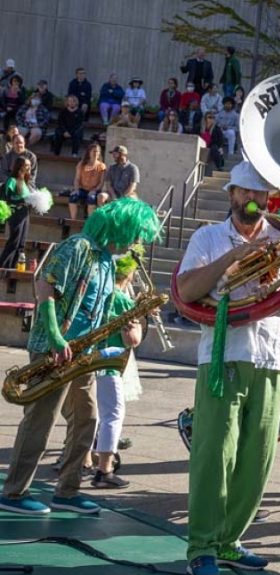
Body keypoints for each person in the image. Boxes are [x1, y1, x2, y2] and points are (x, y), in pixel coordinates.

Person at [175, 162, 280, 575]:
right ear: (231, 193)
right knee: (215, 452)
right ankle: (201, 546)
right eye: (247, 194)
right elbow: (187, 289)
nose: (254, 201)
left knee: (258, 457)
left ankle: (230, 539)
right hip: (224, 354)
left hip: (270, 357)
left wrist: (274, 291)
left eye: (261, 195)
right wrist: (233, 260)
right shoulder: (208, 237)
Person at [0, 198, 161, 516]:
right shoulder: (77, 247)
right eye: (135, 234)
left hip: (83, 354)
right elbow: (45, 290)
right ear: (120, 226)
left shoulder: (107, 261)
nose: (136, 243)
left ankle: (67, 491)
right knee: (41, 420)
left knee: (87, 419)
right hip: (54, 349)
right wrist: (58, 338)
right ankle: (14, 492)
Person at [90, 254, 143, 489]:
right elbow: (131, 339)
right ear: (129, 273)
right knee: (113, 414)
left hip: (93, 359)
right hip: (110, 361)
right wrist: (140, 319)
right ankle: (105, 469)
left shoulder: (101, 294)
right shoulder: (122, 300)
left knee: (96, 415)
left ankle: (91, 459)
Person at [0, 155, 32, 269]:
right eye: (26, 165)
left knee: (22, 243)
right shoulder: (12, 180)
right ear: (19, 166)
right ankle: (3, 265)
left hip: (25, 214)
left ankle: (14, 266)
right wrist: (22, 200)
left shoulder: (25, 181)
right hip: (15, 213)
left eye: (29, 165)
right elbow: (8, 198)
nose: (29, 167)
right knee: (14, 240)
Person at [69, 143, 108, 220]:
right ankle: (72, 219)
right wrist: (76, 190)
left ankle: (90, 221)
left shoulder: (101, 166)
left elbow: (101, 182)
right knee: (73, 197)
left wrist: (94, 190)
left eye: (97, 151)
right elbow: (77, 179)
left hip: (94, 190)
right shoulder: (82, 164)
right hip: (82, 189)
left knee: (91, 198)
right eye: (93, 151)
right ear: (89, 152)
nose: (95, 153)